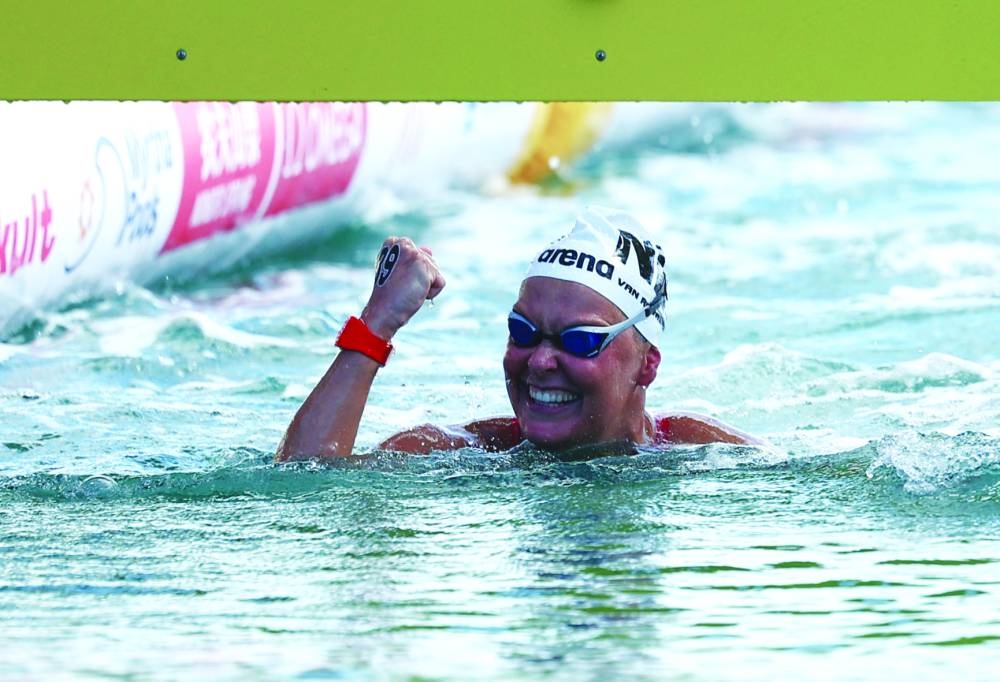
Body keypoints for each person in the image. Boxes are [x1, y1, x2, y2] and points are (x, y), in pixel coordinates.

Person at [276, 207, 759, 462]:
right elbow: (307, 483)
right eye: (523, 332)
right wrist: (377, 324)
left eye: (579, 340)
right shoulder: (464, 453)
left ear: (647, 364)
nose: (540, 361)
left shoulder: (703, 454)